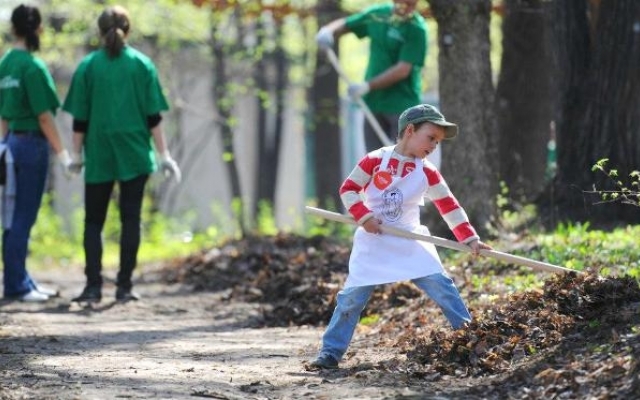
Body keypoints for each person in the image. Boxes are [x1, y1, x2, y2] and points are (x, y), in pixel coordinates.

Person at [309, 104, 492, 369]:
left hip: (410, 240)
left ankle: (472, 340)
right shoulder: (374, 160)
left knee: (443, 288)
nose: (434, 146)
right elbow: (348, 189)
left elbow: (448, 205)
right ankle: (330, 353)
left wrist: (470, 238)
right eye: (431, 138)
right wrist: (364, 216)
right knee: (351, 299)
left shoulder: (428, 171)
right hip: (374, 239)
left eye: (438, 142)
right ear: (409, 130)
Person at [63, 5, 180, 303]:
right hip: (134, 153)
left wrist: (75, 156)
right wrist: (164, 154)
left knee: (93, 222)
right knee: (131, 219)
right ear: (128, 30)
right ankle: (124, 287)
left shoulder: (88, 66)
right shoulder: (142, 65)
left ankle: (92, 287)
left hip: (100, 153)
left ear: (99, 31)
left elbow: (80, 120)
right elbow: (153, 117)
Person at [0, 4, 74, 302]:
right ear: (37, 29)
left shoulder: (5, 64)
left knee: (10, 215)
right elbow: (44, 117)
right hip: (31, 146)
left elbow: (3, 112)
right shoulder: (32, 66)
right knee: (23, 216)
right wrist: (64, 153)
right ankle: (16, 284)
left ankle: (22, 279)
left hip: (10, 145)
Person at [315, 0, 435, 160]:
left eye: (413, 4)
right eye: (405, 2)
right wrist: (328, 31)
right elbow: (347, 24)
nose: (408, 7)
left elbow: (403, 70)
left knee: (402, 165)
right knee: (376, 163)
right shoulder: (378, 15)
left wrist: (367, 86)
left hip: (402, 108)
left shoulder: (416, 28)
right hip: (374, 104)